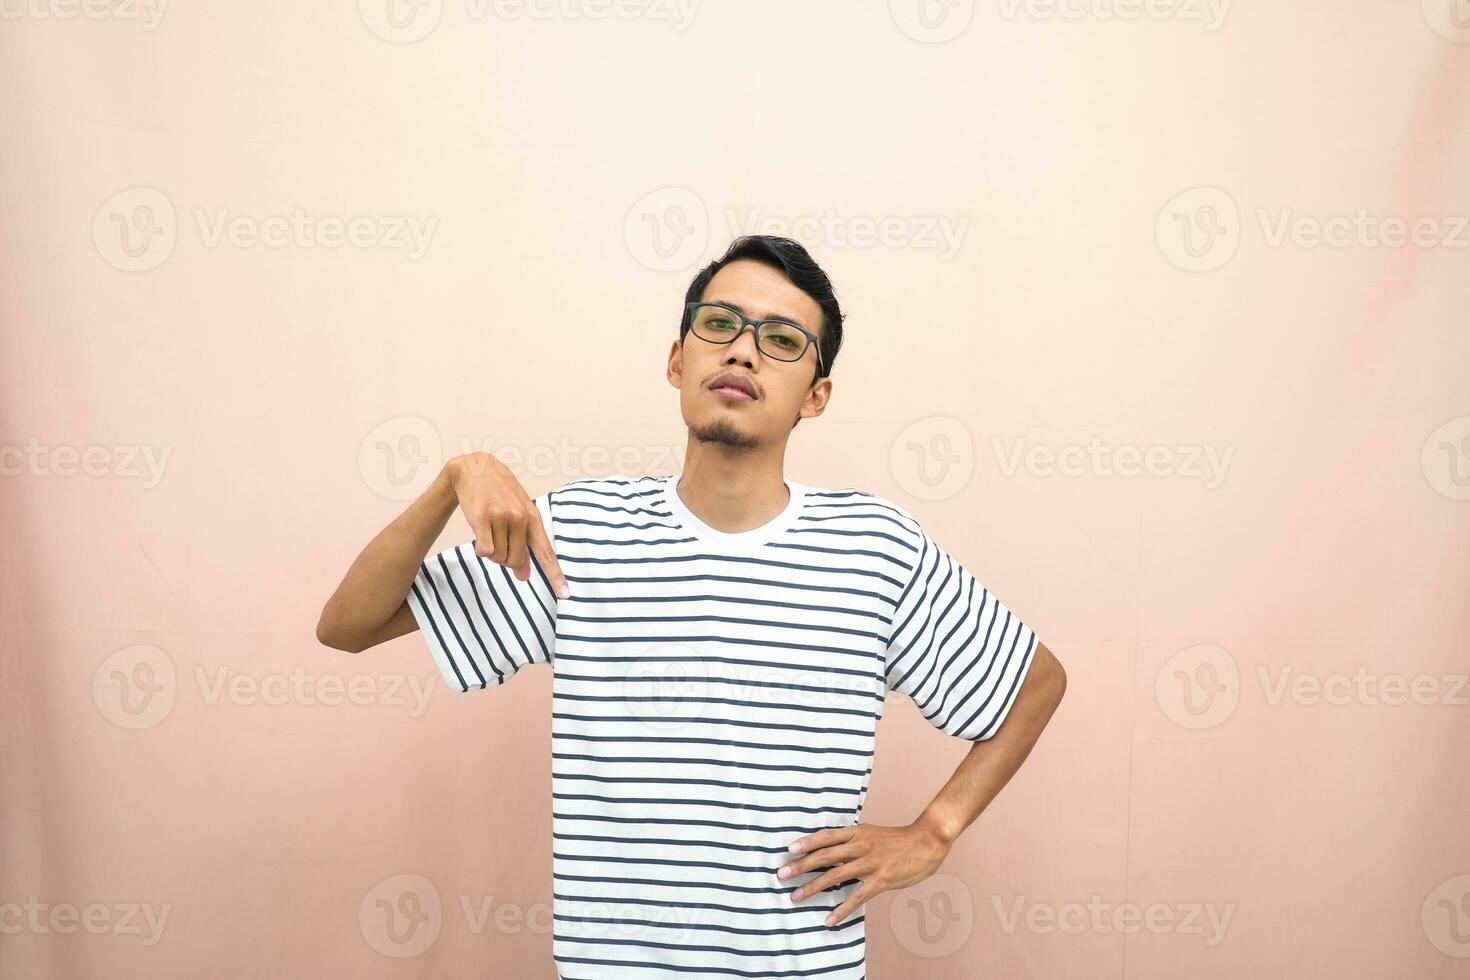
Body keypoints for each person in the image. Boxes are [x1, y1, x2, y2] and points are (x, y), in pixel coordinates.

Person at [316, 234, 1067, 978]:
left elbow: (1037, 682)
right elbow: (348, 627)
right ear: (678, 360)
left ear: (817, 395)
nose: (743, 351)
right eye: (719, 324)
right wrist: (456, 478)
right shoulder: (578, 537)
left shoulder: (875, 548)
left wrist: (935, 831)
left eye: (782, 339)